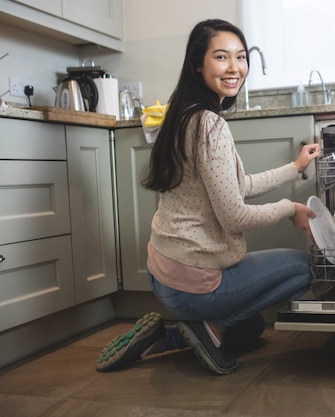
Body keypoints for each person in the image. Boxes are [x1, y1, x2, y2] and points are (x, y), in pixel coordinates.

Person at [96, 18, 320, 375]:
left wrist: (294, 168)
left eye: (241, 57)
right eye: (222, 57)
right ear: (198, 64)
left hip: (164, 272)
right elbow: (235, 217)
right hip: (194, 281)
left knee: (250, 332)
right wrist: (288, 207)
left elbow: (237, 185)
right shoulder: (210, 125)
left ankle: (171, 337)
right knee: (307, 268)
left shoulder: (184, 114)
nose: (235, 68)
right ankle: (208, 328)